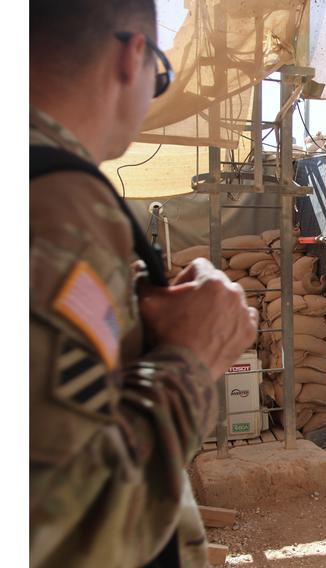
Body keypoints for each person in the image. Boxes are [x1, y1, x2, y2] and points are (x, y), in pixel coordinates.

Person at [30, 1, 259, 566]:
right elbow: (67, 528)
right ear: (134, 57)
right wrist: (190, 356)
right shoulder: (60, 208)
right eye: (161, 73)